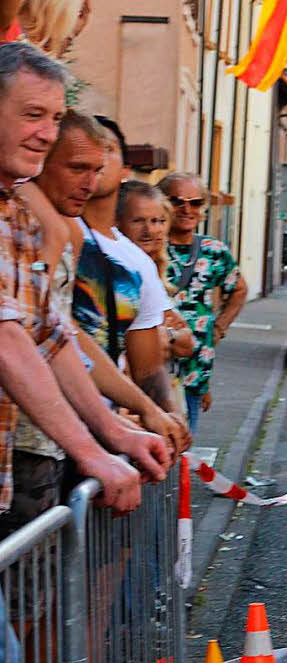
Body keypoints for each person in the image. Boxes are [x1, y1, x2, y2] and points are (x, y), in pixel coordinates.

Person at [0, 42, 166, 518]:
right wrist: (92, 452)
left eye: (54, 118)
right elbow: (8, 338)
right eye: (33, 114)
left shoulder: (18, 213)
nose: (46, 134)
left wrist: (115, 432)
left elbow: (51, 334)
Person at [13, 110, 188, 527]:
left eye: (97, 168)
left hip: (51, 440)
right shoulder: (35, 219)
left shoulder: (63, 228)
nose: (89, 182)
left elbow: (60, 336)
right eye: (77, 168)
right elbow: (33, 336)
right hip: (29, 440)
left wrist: (131, 416)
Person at [73, 116, 178, 417]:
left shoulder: (138, 262)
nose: (96, 158)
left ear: (125, 170)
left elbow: (148, 367)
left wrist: (168, 414)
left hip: (110, 427)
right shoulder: (53, 231)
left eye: (105, 148)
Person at [158, 171, 248, 432]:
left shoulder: (214, 250)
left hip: (196, 372)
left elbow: (239, 289)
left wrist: (219, 328)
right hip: (156, 367)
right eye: (178, 201)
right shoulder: (151, 243)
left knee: (183, 452)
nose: (187, 209)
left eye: (195, 203)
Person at [116, 180, 197, 413]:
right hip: (129, 400)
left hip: (157, 394)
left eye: (159, 221)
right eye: (138, 221)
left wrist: (166, 335)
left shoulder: (154, 270)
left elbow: (187, 344)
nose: (150, 230)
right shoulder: (118, 270)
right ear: (117, 222)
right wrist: (165, 335)